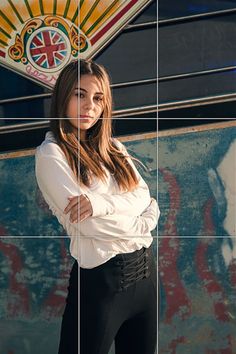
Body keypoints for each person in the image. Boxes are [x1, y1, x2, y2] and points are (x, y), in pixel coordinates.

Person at [35, 59, 159, 354]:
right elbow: (88, 224)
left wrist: (99, 204)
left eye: (98, 98)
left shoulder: (113, 148)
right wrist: (140, 222)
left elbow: (146, 198)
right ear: (63, 96)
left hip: (145, 279)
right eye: (80, 95)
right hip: (100, 286)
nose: (89, 106)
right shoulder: (52, 154)